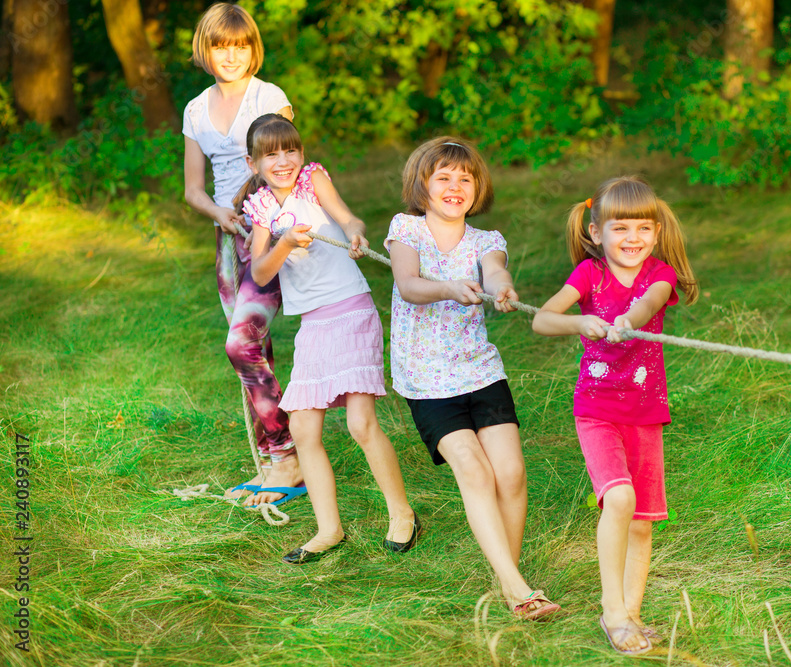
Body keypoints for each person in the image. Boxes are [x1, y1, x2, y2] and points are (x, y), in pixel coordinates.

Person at [385, 137, 560, 620]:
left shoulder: (487, 240)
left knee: (511, 473)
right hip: (426, 378)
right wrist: (447, 288)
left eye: (465, 179)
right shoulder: (407, 229)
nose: (455, 186)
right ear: (422, 185)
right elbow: (408, 284)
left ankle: (510, 578)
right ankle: (520, 590)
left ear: (478, 188)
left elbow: (496, 272)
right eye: (443, 177)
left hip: (480, 371)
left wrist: (502, 289)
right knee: (475, 471)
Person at [238, 113, 418, 563]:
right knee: (302, 426)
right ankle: (328, 528)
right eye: (271, 153)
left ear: (301, 152)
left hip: (351, 310)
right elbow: (260, 272)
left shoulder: (312, 180)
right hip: (313, 325)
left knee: (360, 423)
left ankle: (403, 514)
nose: (283, 160)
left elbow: (349, 218)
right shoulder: (261, 209)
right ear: (252, 162)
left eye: (290, 150)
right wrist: (284, 245)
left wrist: (356, 233)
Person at [531, 176, 698, 654]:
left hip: (645, 414)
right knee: (620, 499)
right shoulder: (589, 275)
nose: (633, 239)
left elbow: (647, 304)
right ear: (595, 231)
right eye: (620, 228)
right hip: (598, 412)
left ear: (657, 231)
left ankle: (631, 612)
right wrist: (579, 320)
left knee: (642, 521)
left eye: (644, 228)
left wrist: (629, 321)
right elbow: (541, 319)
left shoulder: (659, 274)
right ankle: (612, 612)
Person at [182, 3, 301, 505]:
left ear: (253, 48)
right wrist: (220, 211)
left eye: (241, 45)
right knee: (256, 351)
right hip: (229, 239)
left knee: (242, 344)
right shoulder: (195, 109)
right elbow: (192, 188)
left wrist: (248, 202)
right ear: (205, 51)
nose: (231, 55)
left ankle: (288, 455)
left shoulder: (268, 95)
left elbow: (286, 161)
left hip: (270, 233)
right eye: (220, 46)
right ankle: (275, 458)